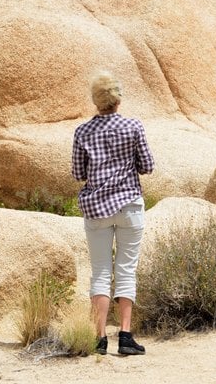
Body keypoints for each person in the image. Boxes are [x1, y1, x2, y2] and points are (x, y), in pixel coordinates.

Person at [71, 71, 155, 356]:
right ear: (118, 98)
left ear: (96, 101)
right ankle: (126, 337)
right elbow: (146, 165)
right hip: (129, 205)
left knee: (101, 272)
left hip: (96, 209)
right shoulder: (133, 126)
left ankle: (99, 339)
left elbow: (78, 173)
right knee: (126, 270)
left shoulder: (82, 132)